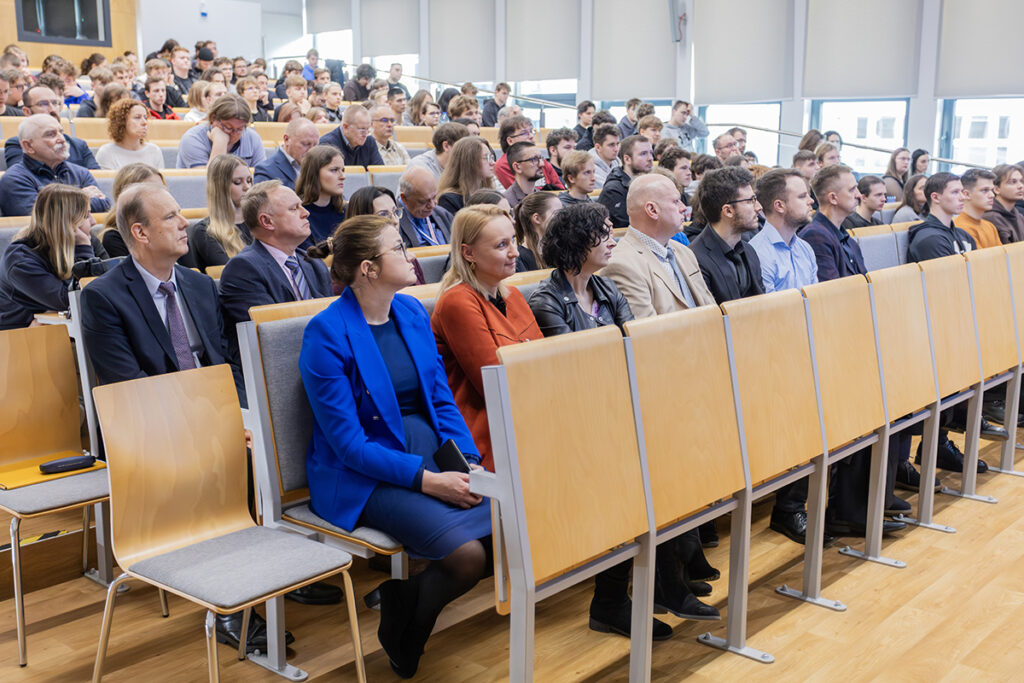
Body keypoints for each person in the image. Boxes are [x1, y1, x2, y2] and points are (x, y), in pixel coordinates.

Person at [79, 182, 273, 650]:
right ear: (140, 232)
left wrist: (242, 417)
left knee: (275, 443)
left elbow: (227, 363)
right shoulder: (104, 297)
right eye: (170, 217)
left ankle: (275, 578)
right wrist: (218, 429)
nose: (185, 222)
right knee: (238, 462)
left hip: (215, 413)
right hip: (152, 428)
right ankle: (231, 605)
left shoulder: (200, 285)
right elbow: (132, 389)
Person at [299, 213, 490, 679]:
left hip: (428, 452)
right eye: (398, 248)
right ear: (368, 269)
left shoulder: (410, 311)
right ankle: (407, 627)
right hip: (362, 476)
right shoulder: (326, 334)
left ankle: (403, 601)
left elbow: (441, 400)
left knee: (511, 529)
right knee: (467, 557)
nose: (410, 255)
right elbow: (349, 446)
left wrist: (467, 461)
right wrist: (429, 482)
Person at [431, 204, 542, 472]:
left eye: (513, 240)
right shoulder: (457, 302)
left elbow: (544, 360)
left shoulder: (513, 296)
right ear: (468, 253)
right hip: (489, 435)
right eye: (502, 245)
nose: (515, 252)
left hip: (532, 414)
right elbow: (495, 384)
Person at [908, 173, 1002, 469]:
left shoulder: (962, 236)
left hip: (960, 321)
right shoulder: (929, 237)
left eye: (963, 191)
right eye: (955, 192)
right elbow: (947, 288)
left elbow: (979, 278)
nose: (962, 196)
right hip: (937, 325)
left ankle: (940, 443)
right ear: (935, 197)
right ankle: (934, 447)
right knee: (944, 389)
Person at [219, 180, 333, 334]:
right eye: (294, 208)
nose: (306, 213)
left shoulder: (313, 264)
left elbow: (332, 322)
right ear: (267, 221)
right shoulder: (243, 269)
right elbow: (272, 334)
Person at [601, 173, 715, 319]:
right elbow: (649, 330)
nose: (683, 208)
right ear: (652, 210)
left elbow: (712, 309)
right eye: (676, 201)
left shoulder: (684, 252)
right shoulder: (621, 265)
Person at [0, 185, 109, 329]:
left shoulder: (87, 240)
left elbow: (111, 284)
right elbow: (72, 300)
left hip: (65, 326)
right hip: (22, 335)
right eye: (85, 216)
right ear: (65, 223)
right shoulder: (19, 259)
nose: (93, 222)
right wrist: (83, 250)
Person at [0, 114, 110, 216]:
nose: (62, 139)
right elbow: (41, 216)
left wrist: (61, 205)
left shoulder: (81, 173)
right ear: (28, 146)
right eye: (50, 134)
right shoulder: (14, 179)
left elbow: (103, 204)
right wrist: (82, 197)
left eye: (61, 132)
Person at [689, 166, 764, 303]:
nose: (758, 207)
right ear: (728, 211)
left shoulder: (749, 251)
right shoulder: (695, 259)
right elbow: (711, 314)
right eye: (750, 201)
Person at [4, 85, 99, 170]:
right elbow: (21, 177)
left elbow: (95, 178)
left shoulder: (79, 145)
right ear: (27, 112)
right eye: (43, 104)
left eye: (55, 103)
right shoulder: (18, 145)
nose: (52, 109)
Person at [188, 155, 254, 273]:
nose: (247, 187)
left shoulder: (258, 222)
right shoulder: (205, 231)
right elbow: (233, 273)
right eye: (238, 182)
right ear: (221, 188)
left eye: (249, 180)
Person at [801, 164, 866, 281]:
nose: (858, 195)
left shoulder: (847, 239)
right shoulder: (815, 236)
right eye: (852, 190)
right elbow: (832, 289)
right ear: (833, 198)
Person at [98, 164, 168, 258]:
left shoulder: (173, 227)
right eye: (152, 191)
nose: (161, 196)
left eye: (163, 190)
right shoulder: (114, 238)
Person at [177, 94, 265, 168]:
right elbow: (205, 180)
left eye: (239, 129)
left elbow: (261, 178)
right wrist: (220, 144)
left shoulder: (252, 138)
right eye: (228, 127)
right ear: (213, 118)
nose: (234, 134)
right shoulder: (193, 138)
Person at [494, 115, 563, 190]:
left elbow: (560, 189)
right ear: (510, 141)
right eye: (524, 133)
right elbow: (518, 193)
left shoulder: (541, 160)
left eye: (531, 131)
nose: (531, 136)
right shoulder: (503, 165)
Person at [598, 134, 653, 228]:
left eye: (651, 153)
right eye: (643, 154)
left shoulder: (650, 182)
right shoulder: (613, 191)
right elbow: (626, 227)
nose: (650, 158)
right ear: (627, 159)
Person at [296, 144, 347, 245]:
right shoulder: (297, 213)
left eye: (343, 170)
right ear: (314, 173)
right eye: (334, 170)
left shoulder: (346, 211)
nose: (342, 176)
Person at [95, 99, 165, 170]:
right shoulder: (106, 153)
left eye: (145, 118)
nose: (144, 122)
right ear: (121, 121)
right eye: (137, 117)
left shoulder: (154, 151)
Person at [253, 117, 320, 189]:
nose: (311, 150)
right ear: (286, 140)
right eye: (306, 144)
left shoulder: (320, 167)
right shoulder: (265, 170)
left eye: (315, 145)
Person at [437, 136, 497, 214]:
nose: (493, 163)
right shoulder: (449, 200)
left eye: (491, 157)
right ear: (469, 162)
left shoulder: (490, 193)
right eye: (486, 157)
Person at [398, 165, 454, 247]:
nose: (432, 205)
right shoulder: (394, 223)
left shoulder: (443, 215)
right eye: (423, 201)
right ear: (404, 198)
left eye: (434, 197)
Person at [319, 105, 385, 168]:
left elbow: (379, 172)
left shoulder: (369, 141)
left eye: (368, 129)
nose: (365, 134)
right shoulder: (327, 144)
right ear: (345, 127)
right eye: (361, 129)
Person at [513, 192, 561, 271]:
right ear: (537, 218)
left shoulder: (558, 247)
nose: (562, 218)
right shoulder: (519, 258)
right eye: (557, 214)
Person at [956, 168, 1002, 249]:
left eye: (991, 190)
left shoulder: (990, 226)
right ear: (966, 194)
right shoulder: (960, 227)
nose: (992, 195)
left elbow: (1003, 254)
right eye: (985, 190)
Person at [984, 164, 1024, 243]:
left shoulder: (1019, 217)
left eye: (1022, 181)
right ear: (996, 189)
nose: (1020, 186)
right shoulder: (991, 217)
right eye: (1013, 182)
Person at [502, 141, 543, 208]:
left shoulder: (542, 197)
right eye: (534, 159)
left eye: (541, 158)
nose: (542, 164)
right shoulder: (506, 202)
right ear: (517, 167)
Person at [589, 124, 621, 190]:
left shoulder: (618, 162)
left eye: (617, 144)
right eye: (611, 145)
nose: (616, 149)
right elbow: (611, 190)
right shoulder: (589, 169)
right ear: (598, 147)